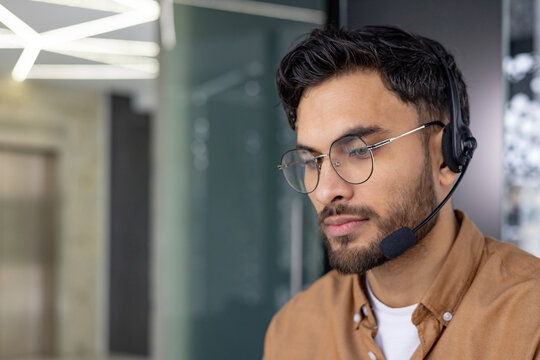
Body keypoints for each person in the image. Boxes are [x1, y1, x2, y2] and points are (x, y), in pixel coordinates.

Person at [264, 25, 540, 360]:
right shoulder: (295, 329)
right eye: (311, 161)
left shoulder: (530, 323)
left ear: (445, 155)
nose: (325, 192)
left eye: (358, 151)